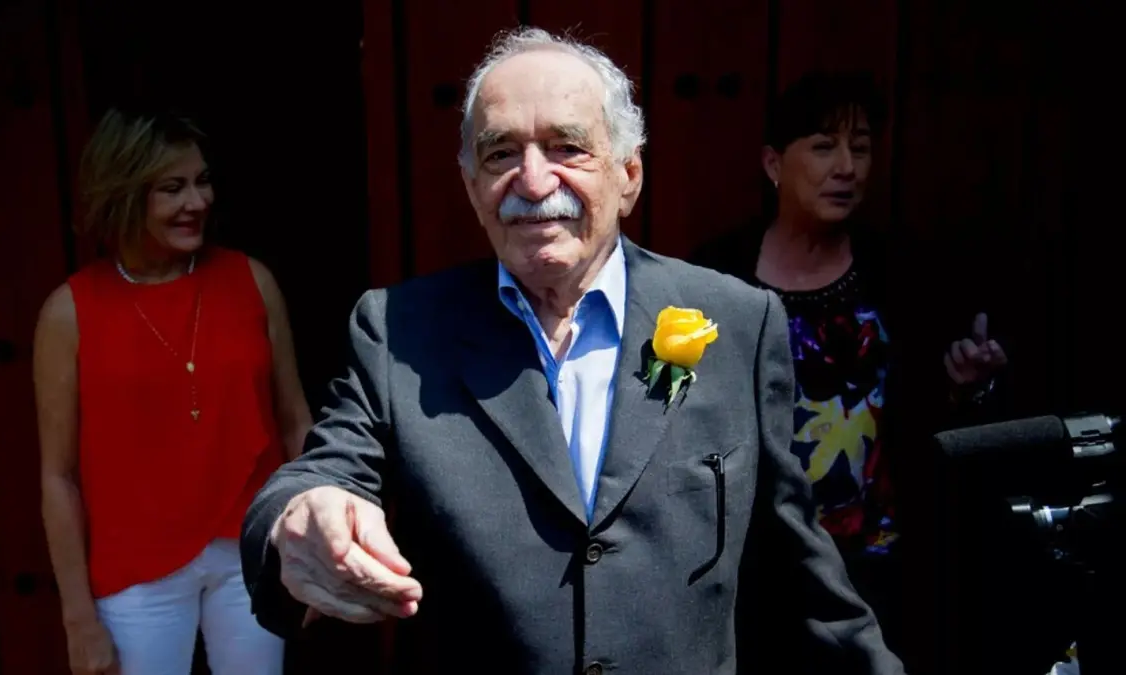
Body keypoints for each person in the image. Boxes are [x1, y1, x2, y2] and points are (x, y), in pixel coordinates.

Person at [240, 28, 902, 674]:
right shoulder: (401, 332)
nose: (533, 181)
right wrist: (299, 517)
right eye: (501, 153)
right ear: (470, 185)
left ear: (628, 175)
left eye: (567, 148)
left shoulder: (737, 322)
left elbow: (795, 563)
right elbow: (322, 473)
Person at [689, 71, 1009, 671]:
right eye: (823, 146)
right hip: (757, 565)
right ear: (773, 163)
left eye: (860, 148)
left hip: (881, 563)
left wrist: (969, 384)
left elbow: (939, 417)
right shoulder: (717, 277)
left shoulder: (903, 273)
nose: (846, 167)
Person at [34, 106, 312, 675]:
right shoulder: (69, 313)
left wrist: (311, 551)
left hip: (249, 551)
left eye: (202, 181)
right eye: (172, 188)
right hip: (134, 572)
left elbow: (295, 423)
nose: (197, 201)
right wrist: (78, 618)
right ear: (123, 194)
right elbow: (58, 476)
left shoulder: (251, 281)